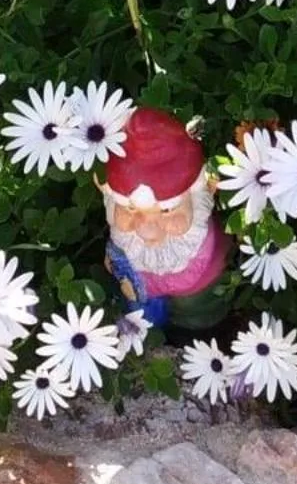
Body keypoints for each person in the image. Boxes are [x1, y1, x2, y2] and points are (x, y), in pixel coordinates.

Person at [97, 107, 230, 330]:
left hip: (196, 290)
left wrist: (142, 287)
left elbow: (194, 275)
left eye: (167, 211)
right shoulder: (128, 240)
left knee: (196, 312)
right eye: (129, 209)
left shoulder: (200, 246)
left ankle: (188, 329)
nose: (146, 230)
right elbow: (120, 256)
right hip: (141, 291)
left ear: (207, 187)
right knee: (142, 314)